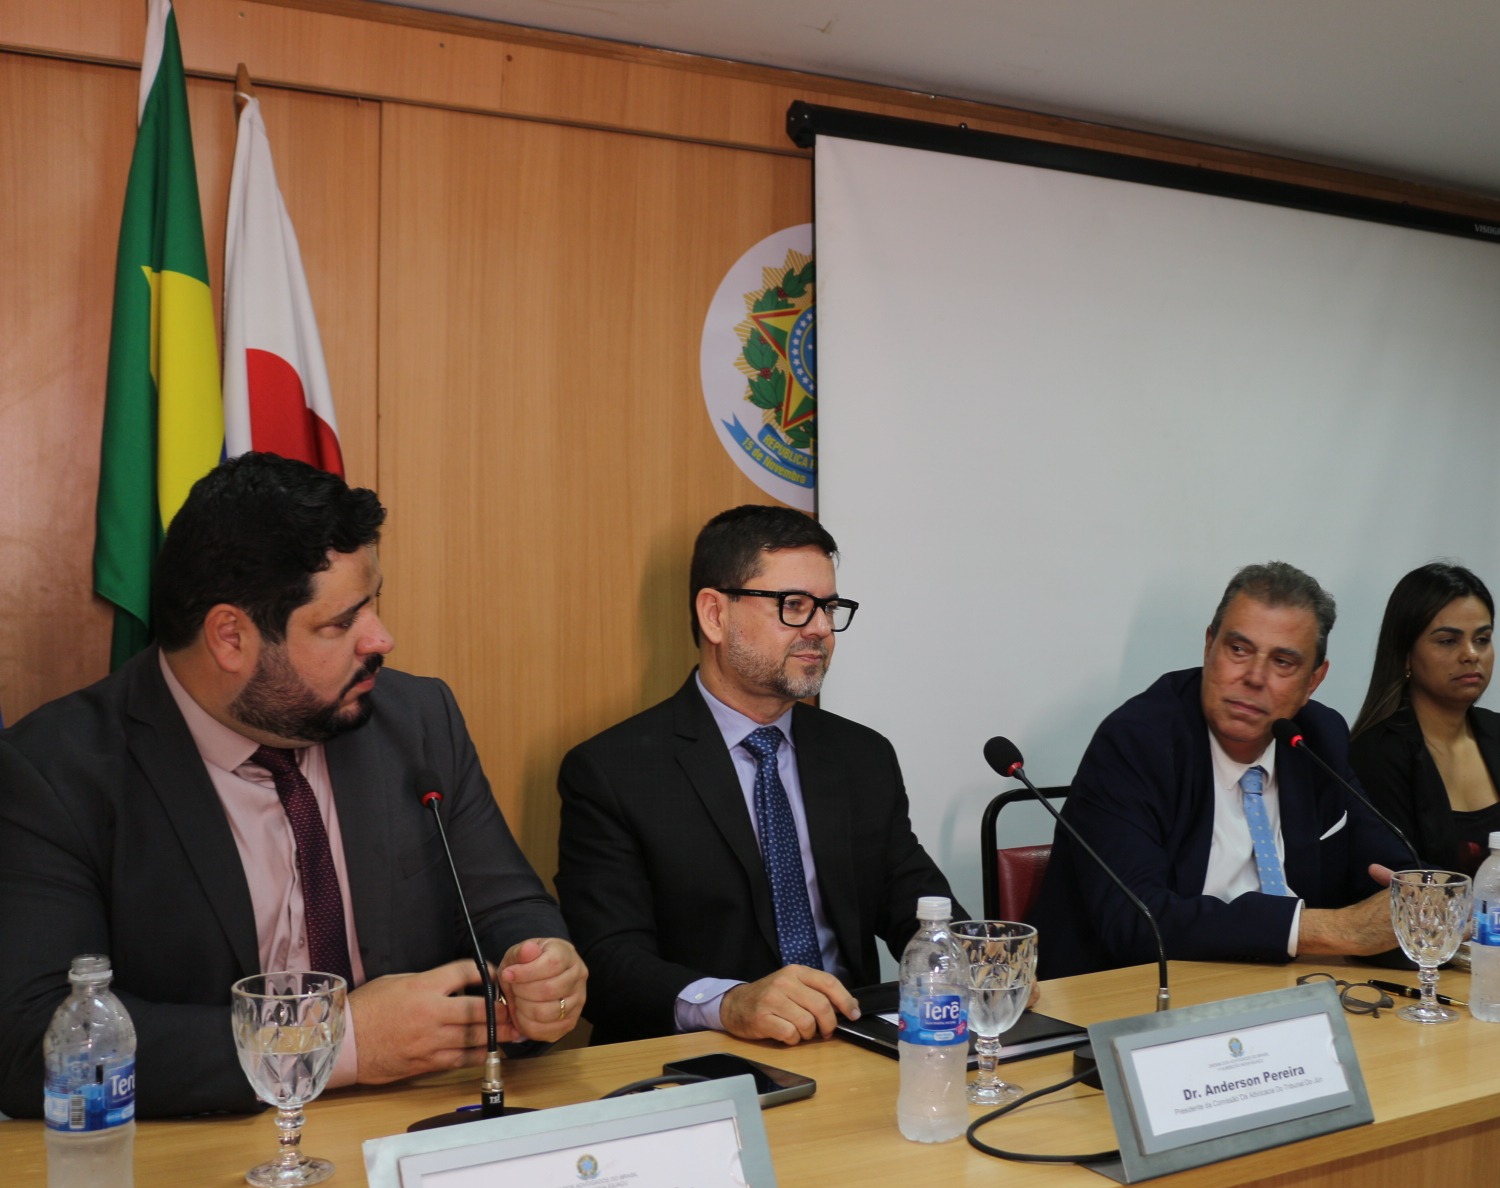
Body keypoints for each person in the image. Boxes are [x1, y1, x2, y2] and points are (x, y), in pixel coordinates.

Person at [0, 454, 584, 1119]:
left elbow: (504, 906)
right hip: (204, 1153)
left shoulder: (416, 719)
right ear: (230, 637)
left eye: (374, 603)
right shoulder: (56, 772)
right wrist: (337, 1042)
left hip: (414, 1124)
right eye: (340, 623)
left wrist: (541, 966)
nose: (382, 638)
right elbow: (28, 1041)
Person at [554, 505, 962, 1046]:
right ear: (715, 615)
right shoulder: (613, 771)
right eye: (794, 606)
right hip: (700, 1061)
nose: (821, 628)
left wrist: (976, 965)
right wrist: (728, 1004)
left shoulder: (861, 756)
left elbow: (917, 906)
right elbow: (607, 962)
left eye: (829, 607)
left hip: (850, 1045)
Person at [1027, 562, 1414, 979]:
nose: (1254, 677)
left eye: (1283, 661)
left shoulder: (1317, 739)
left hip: (1288, 987)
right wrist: (1329, 930)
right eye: (1239, 650)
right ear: (1209, 646)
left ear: (1313, 680)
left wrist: (1423, 902)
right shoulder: (1137, 742)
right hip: (1130, 993)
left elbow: (1392, 876)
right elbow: (1135, 921)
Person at [1348, 563, 1500, 896]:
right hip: (1430, 930)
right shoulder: (1377, 752)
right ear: (1405, 655)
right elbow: (1402, 889)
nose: (1471, 655)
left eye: (1482, 639)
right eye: (1448, 641)